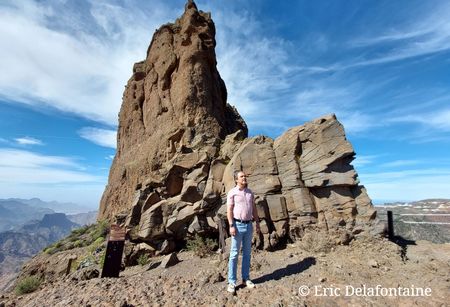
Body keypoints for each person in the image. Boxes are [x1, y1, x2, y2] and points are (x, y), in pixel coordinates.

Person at [226, 170, 260, 294]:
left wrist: (257, 222)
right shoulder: (232, 193)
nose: (244, 178)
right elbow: (229, 210)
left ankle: (246, 278)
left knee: (247, 253)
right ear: (236, 180)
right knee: (234, 254)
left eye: (245, 176)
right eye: (241, 176)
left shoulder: (250, 192)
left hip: (249, 225)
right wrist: (231, 225)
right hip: (237, 225)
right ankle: (232, 282)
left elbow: (254, 208)